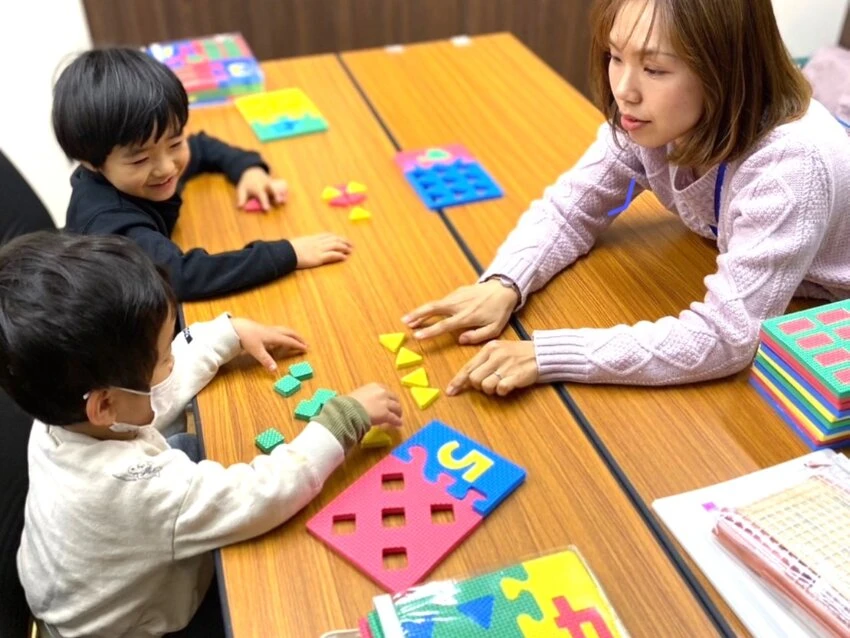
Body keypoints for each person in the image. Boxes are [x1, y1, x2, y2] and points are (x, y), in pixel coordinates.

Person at [403, 0, 850, 396]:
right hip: (768, 283)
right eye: (616, 56)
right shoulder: (648, 117)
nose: (624, 90)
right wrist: (505, 282)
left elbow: (727, 337)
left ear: (727, 69)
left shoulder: (791, 165)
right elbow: (571, 208)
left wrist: (548, 355)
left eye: (655, 69)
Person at [0, 231, 402, 637]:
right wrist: (342, 422)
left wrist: (226, 335)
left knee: (190, 444)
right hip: (130, 626)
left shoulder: (62, 414)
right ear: (105, 405)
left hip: (79, 593)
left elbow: (149, 398)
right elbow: (260, 495)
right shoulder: (135, 489)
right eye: (164, 358)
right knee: (278, 597)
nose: (172, 364)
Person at [54, 48, 353, 301]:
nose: (168, 167)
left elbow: (202, 146)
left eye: (175, 142)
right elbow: (182, 277)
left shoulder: (145, 167)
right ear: (91, 162)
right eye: (141, 159)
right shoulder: (113, 226)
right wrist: (288, 254)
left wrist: (248, 169)